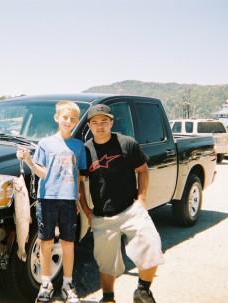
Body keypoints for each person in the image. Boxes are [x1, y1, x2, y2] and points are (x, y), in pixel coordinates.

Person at [78, 104, 165, 303]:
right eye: (95, 123)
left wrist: (141, 199)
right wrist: (87, 211)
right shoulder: (85, 151)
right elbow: (79, 183)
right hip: (101, 215)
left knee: (151, 245)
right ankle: (108, 298)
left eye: (104, 122)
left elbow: (143, 170)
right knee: (106, 262)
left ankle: (143, 290)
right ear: (89, 125)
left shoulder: (127, 144)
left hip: (131, 210)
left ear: (112, 122)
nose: (100, 127)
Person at [16, 100, 86, 303]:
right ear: (57, 118)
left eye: (73, 118)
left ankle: (67, 284)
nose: (69, 121)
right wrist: (28, 160)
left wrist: (79, 198)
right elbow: (42, 173)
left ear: (76, 121)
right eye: (65, 117)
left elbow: (79, 175)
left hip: (69, 201)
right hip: (47, 200)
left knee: (68, 242)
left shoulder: (78, 146)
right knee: (45, 242)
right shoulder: (45, 144)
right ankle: (45, 284)